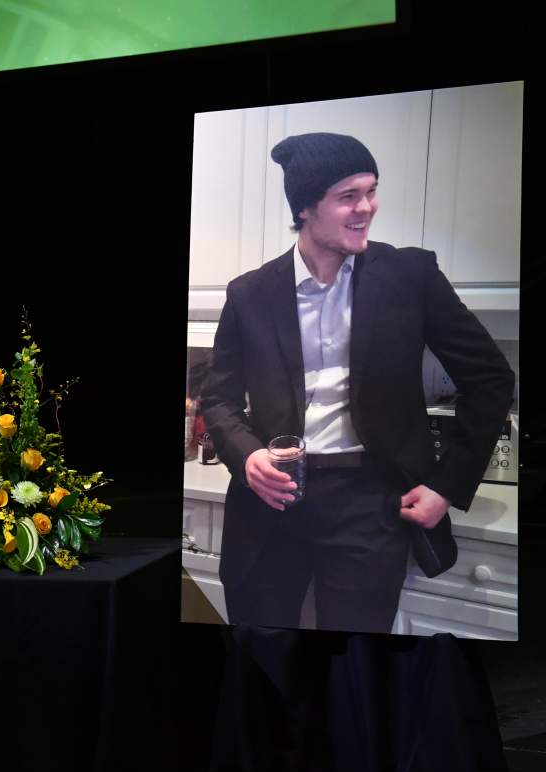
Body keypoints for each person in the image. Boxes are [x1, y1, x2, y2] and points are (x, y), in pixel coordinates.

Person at [201, 132, 515, 634]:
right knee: (260, 653)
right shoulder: (249, 294)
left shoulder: (410, 276)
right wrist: (247, 455)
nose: (366, 208)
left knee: (355, 666)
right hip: (272, 502)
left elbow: (492, 380)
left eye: (371, 191)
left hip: (371, 504)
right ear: (305, 208)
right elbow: (217, 399)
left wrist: (445, 484)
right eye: (348, 196)